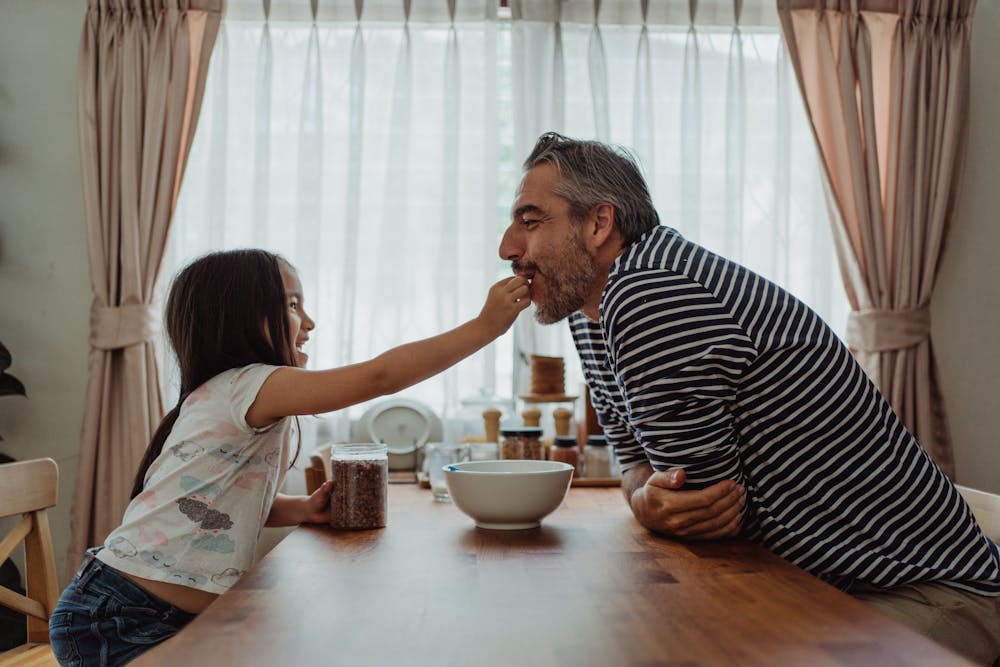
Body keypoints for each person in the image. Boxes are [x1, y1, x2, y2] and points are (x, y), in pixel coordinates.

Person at [498, 132, 1000, 664]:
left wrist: (652, 499)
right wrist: (647, 499)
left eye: (531, 222)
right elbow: (643, 474)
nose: (508, 248)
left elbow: (706, 513)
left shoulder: (652, 295)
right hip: (822, 585)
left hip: (923, 592)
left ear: (599, 223)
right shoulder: (594, 312)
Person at [48, 249, 529, 666]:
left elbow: (209, 506)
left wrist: (298, 509)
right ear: (240, 316)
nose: (310, 322)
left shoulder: (224, 394)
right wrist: (484, 327)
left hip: (145, 609)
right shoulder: (253, 383)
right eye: (294, 305)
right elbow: (377, 377)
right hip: (119, 617)